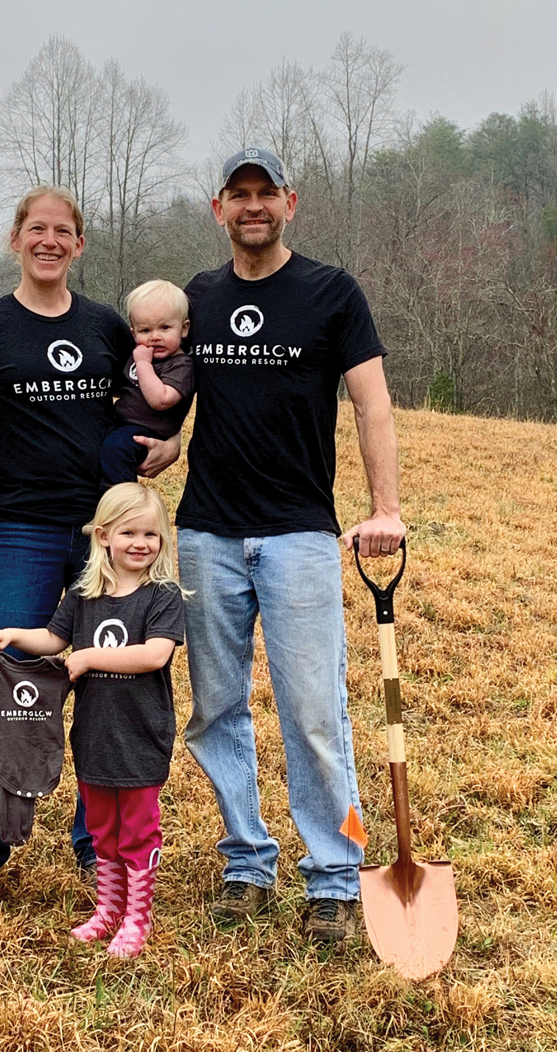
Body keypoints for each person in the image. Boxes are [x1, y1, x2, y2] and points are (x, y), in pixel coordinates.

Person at [177, 148, 406, 945]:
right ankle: (246, 861)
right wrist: (141, 453)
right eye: (238, 194)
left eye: (265, 192)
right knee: (215, 709)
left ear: (290, 202)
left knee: (313, 712)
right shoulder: (197, 298)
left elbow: (372, 404)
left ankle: (334, 874)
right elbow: (171, 405)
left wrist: (386, 509)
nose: (253, 206)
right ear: (218, 208)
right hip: (206, 531)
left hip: (300, 533)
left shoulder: (332, 293)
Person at [0, 186, 180, 921]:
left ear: (79, 244)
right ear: (15, 239)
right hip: (19, 530)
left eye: (62, 231)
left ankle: (97, 847)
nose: (49, 240)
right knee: (4, 678)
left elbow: (149, 403)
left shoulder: (106, 326)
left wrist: (171, 443)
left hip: (101, 533)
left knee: (108, 682)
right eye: (35, 229)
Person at [0, 483, 184, 958]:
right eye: (128, 532)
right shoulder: (85, 595)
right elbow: (53, 639)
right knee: (102, 828)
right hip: (93, 733)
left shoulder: (162, 596)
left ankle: (137, 917)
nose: (140, 543)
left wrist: (89, 657)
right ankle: (108, 910)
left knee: (137, 829)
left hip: (140, 735)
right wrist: (11, 634)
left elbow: (155, 654)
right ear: (103, 535)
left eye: (151, 534)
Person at [99, 280, 194, 487]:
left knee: (117, 450)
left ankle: (120, 498)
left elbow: (161, 400)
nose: (155, 337)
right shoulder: (140, 355)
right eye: (145, 330)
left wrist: (143, 364)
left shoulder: (181, 365)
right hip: (122, 422)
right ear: (133, 334)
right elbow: (124, 386)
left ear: (184, 329)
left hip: (149, 430)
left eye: (165, 327)